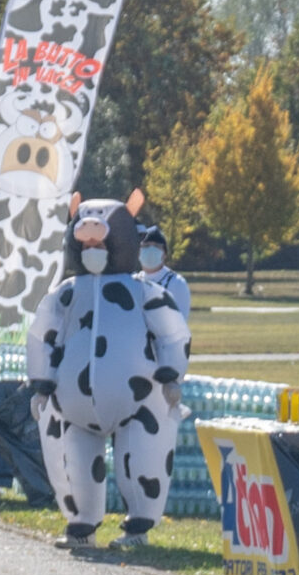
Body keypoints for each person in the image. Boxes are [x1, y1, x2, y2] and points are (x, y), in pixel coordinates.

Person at [27, 198, 188, 550]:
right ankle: (82, 525)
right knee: (76, 463)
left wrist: (171, 374)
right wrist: (41, 382)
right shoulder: (66, 293)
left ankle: (138, 528)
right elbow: (41, 336)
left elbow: (173, 333)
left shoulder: (143, 291)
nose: (93, 252)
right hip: (75, 405)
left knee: (143, 458)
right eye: (87, 247)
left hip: (137, 402)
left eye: (99, 246)